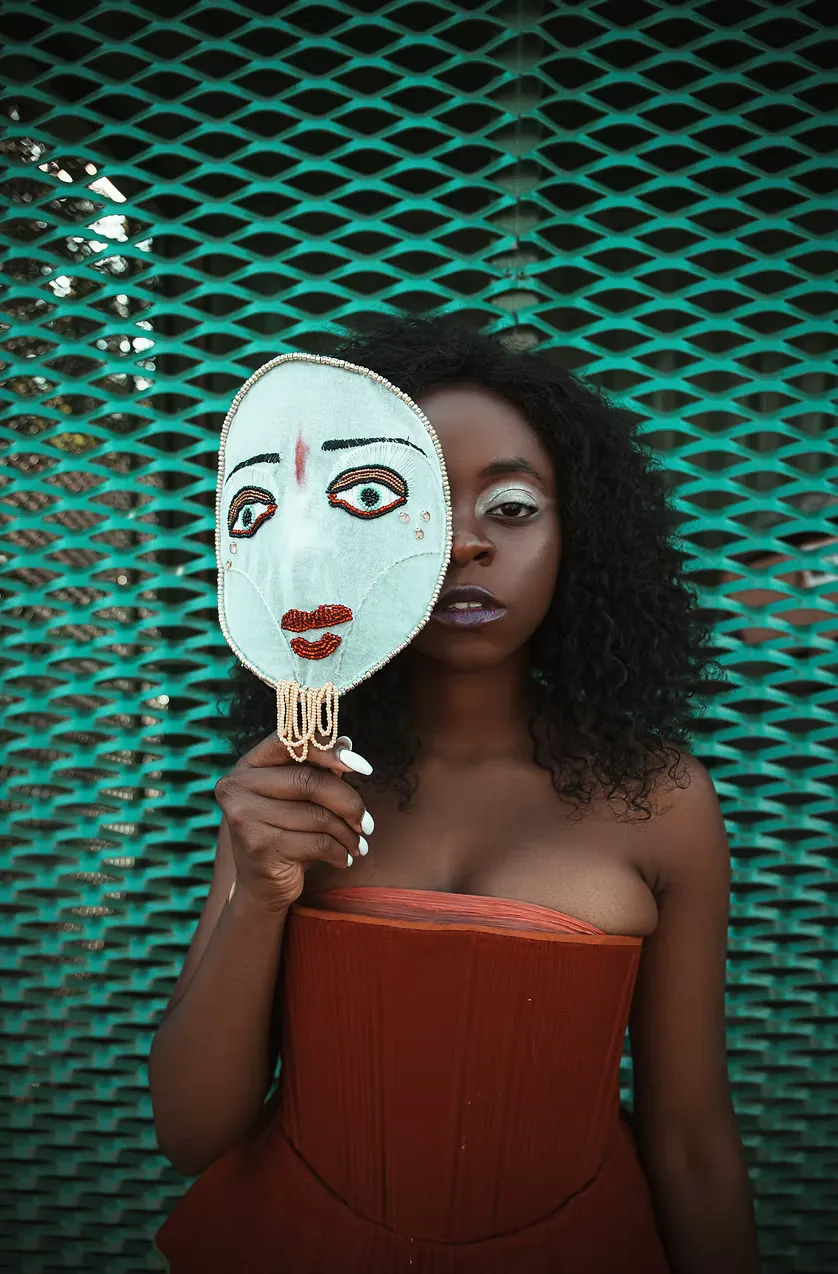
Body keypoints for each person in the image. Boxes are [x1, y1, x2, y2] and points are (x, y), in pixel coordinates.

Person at [149, 313, 761, 1273]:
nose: (463, 546)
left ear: (581, 535)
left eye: (511, 507)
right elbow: (191, 1132)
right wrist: (260, 895)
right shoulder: (292, 789)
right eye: (405, 503)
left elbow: (690, 1139)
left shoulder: (662, 801)